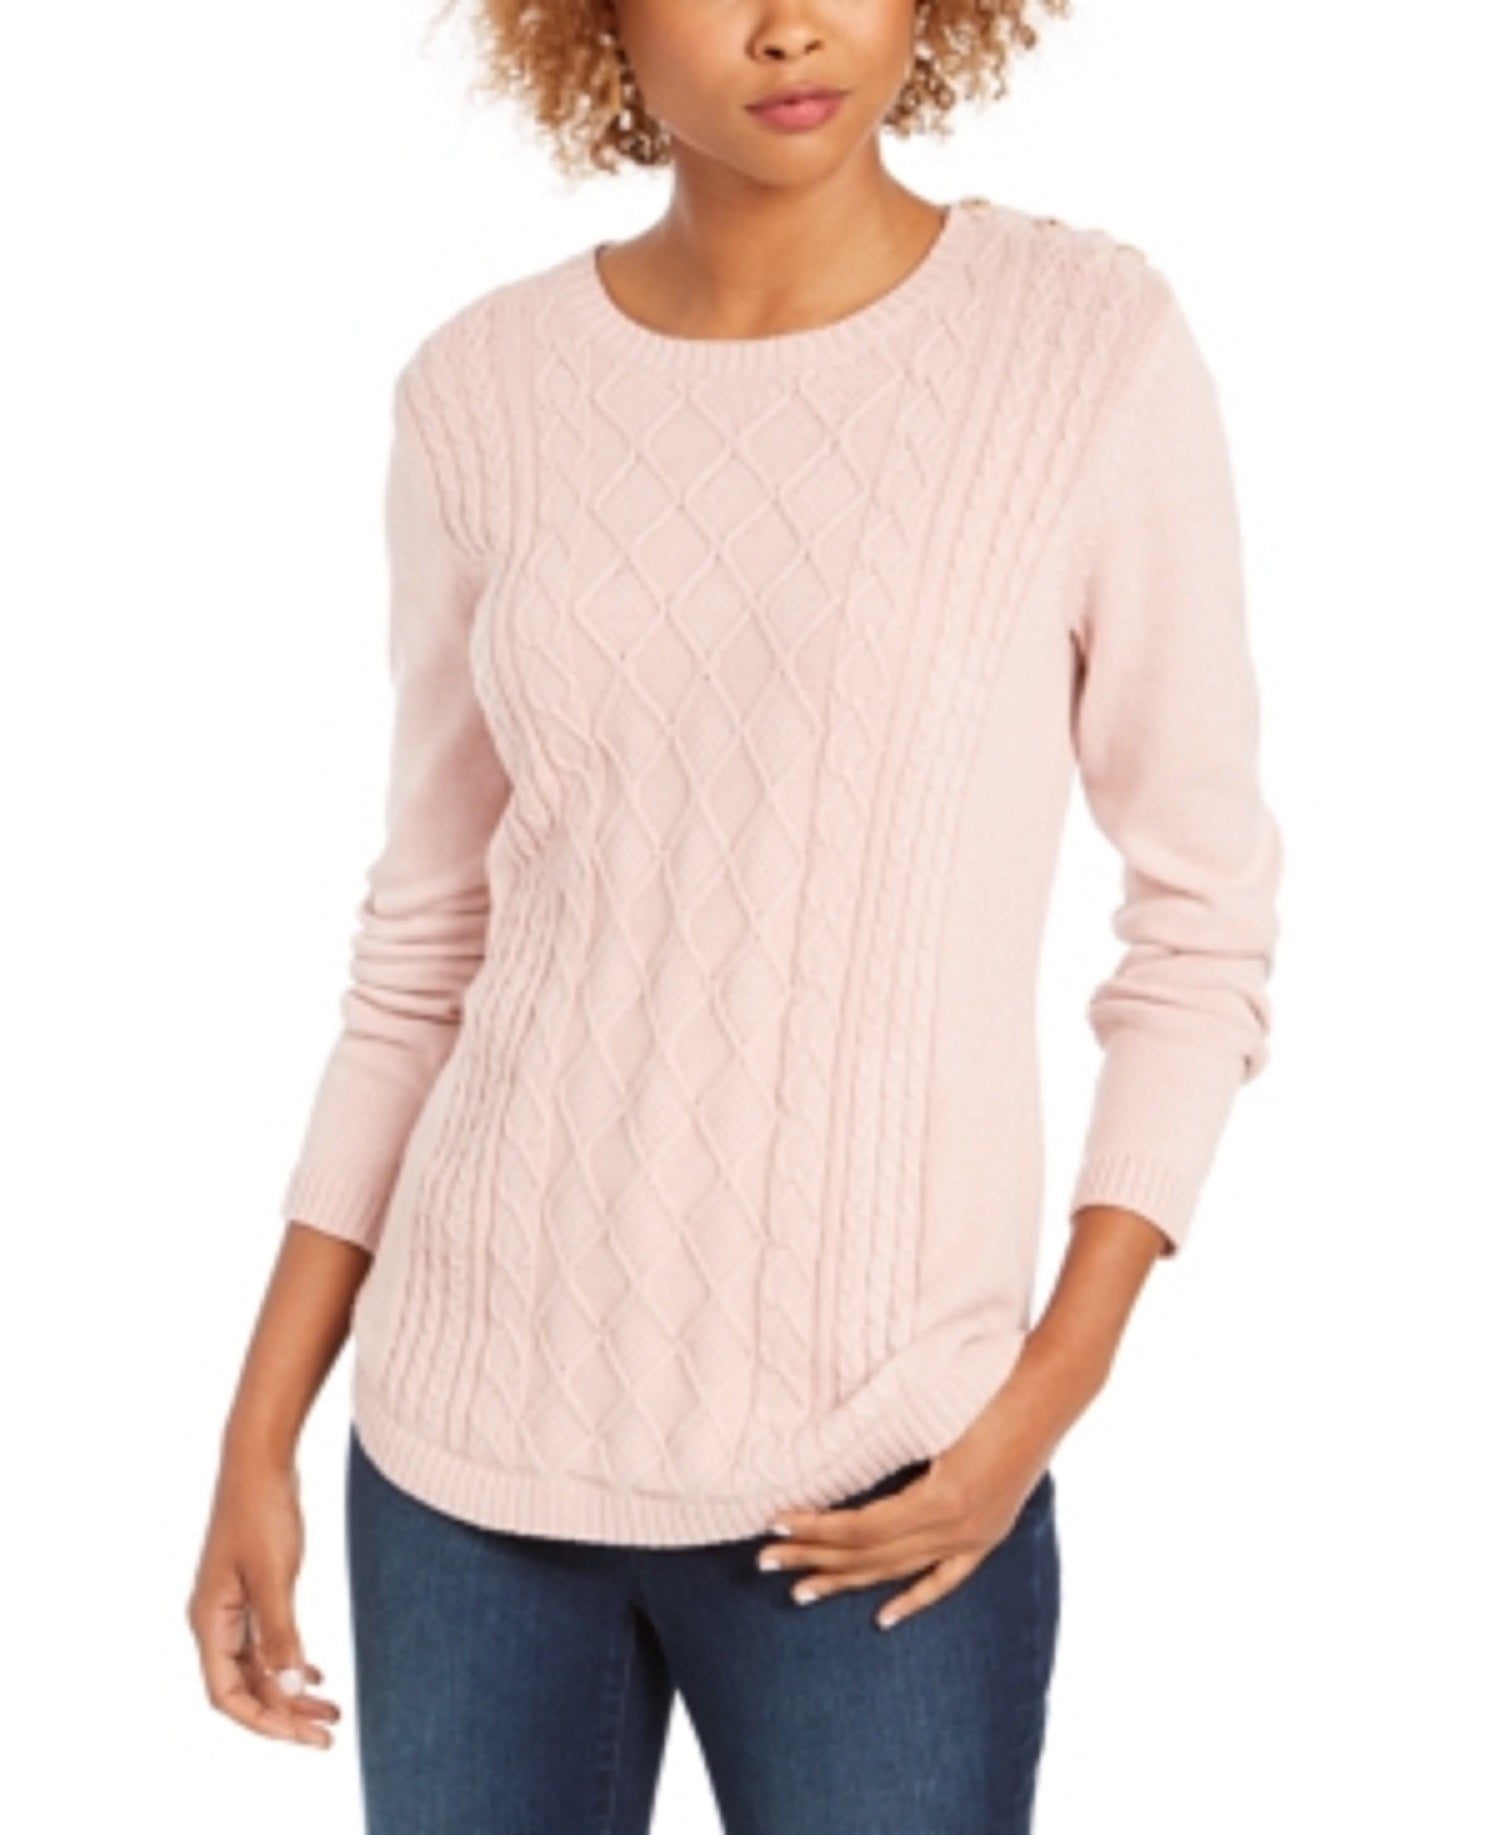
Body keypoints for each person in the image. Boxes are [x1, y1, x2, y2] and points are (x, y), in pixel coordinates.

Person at [187, 0, 1283, 1828]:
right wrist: (259, 1427)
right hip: (465, 1460)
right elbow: (426, 948)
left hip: (890, 1479)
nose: (788, 27)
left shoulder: (1082, 348)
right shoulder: (483, 392)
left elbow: (1202, 921)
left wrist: (1043, 1397)